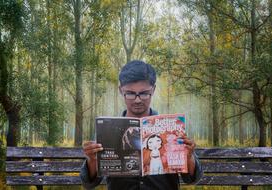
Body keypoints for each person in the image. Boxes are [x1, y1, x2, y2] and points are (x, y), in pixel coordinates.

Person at [81, 60, 203, 190]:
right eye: (130, 93)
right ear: (121, 91)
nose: (137, 100)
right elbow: (89, 183)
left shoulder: (171, 128)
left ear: (153, 89)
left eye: (144, 93)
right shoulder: (106, 130)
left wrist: (189, 156)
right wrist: (92, 160)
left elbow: (192, 179)